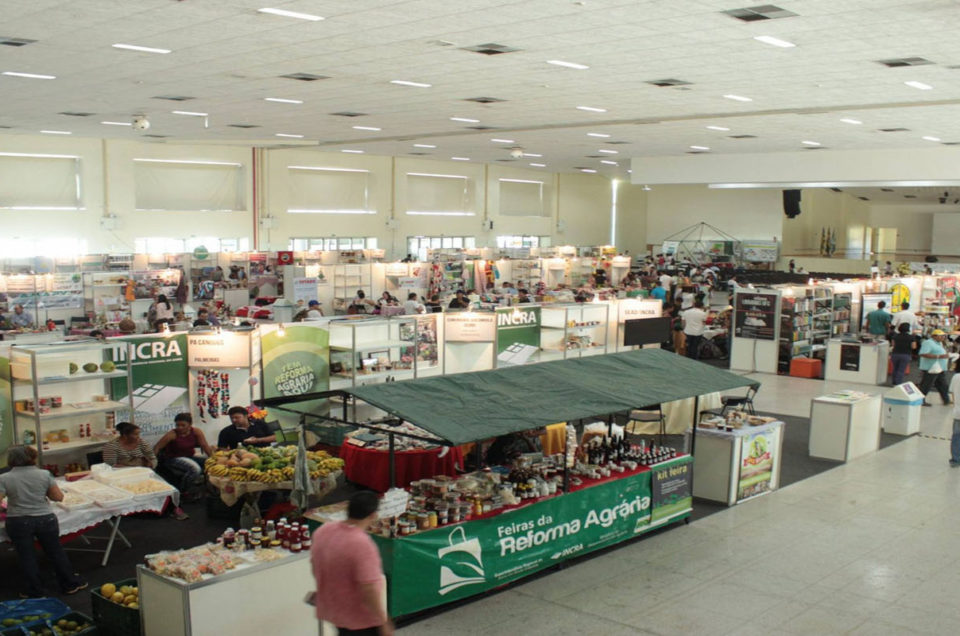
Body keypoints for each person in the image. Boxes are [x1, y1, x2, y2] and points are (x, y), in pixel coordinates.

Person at [0, 446, 87, 598]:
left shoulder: (4, 478)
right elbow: (57, 497)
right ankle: (70, 584)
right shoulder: (44, 474)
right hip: (45, 518)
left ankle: (35, 590)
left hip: (18, 521)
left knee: (26, 556)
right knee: (55, 552)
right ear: (32, 458)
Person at [311, 491, 392, 635]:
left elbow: (314, 565)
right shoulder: (362, 544)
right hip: (360, 619)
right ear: (373, 515)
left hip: (336, 610)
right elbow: (368, 589)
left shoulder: (324, 531)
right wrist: (383, 621)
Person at [154, 413, 214, 500]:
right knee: (195, 469)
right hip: (172, 459)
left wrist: (213, 458)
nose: (180, 427)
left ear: (190, 425)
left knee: (209, 463)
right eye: (177, 425)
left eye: (183, 425)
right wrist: (153, 463)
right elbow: (157, 447)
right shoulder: (172, 434)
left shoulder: (196, 431)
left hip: (189, 456)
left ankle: (209, 489)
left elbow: (204, 446)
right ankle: (183, 491)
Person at [918, 329, 951, 406]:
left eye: (944, 336)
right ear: (935, 336)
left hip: (939, 367)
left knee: (943, 384)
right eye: (942, 336)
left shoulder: (939, 343)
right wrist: (939, 356)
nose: (943, 337)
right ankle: (920, 400)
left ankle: (946, 399)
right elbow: (923, 353)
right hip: (931, 368)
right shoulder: (928, 343)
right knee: (926, 385)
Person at [949, 360, 960, 466]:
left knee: (956, 436)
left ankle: (955, 459)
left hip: (958, 412)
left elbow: (952, 393)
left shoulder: (956, 377)